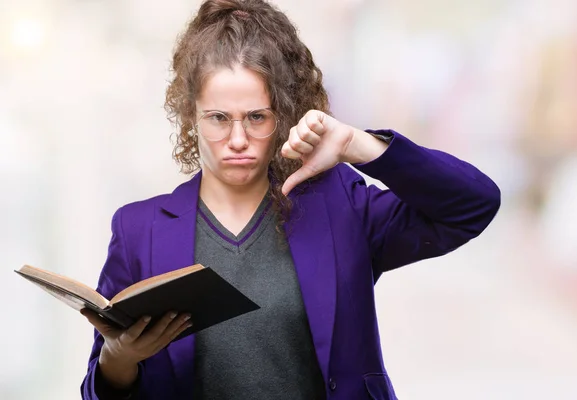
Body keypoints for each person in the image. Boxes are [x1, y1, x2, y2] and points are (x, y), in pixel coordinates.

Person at [79, 0, 501, 399]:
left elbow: (471, 204)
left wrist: (357, 144)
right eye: (219, 119)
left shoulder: (338, 207)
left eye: (257, 117)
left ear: (281, 114)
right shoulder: (139, 231)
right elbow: (100, 389)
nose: (238, 140)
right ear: (191, 116)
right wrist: (120, 358)